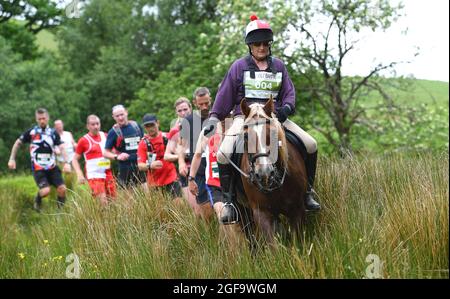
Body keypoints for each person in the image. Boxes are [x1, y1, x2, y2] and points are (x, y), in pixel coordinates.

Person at [203, 15, 321, 223]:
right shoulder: (238, 67)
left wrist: (287, 107)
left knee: (311, 144)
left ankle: (307, 193)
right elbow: (225, 95)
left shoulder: (279, 66)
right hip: (245, 118)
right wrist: (214, 117)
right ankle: (230, 202)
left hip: (272, 117)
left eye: (266, 43)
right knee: (223, 154)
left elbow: (289, 92)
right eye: (257, 43)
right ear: (250, 46)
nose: (262, 47)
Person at [7, 108, 71, 211]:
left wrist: (67, 162)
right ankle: (38, 198)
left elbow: (62, 147)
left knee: (62, 189)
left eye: (44, 118)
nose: (42, 121)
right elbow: (17, 143)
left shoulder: (53, 132)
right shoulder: (32, 132)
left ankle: (60, 213)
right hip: (38, 168)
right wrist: (12, 159)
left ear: (48, 118)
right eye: (39, 118)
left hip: (52, 167)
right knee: (46, 191)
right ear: (36, 119)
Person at [178, 87, 215, 218]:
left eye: (206, 103)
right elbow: (181, 146)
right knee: (207, 213)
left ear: (210, 99)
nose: (204, 106)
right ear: (195, 103)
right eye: (201, 104)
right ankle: (209, 238)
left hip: (217, 170)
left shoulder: (218, 116)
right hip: (199, 171)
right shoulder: (188, 121)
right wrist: (181, 162)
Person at [72, 115, 117, 205]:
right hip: (94, 175)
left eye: (97, 124)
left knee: (113, 202)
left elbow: (114, 151)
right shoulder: (84, 140)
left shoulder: (105, 136)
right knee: (103, 203)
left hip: (107, 173)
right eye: (93, 124)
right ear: (87, 126)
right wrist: (79, 174)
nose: (96, 126)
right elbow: (74, 159)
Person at [137, 114, 182, 202]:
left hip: (171, 178)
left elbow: (180, 150)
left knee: (178, 205)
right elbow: (140, 165)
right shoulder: (143, 143)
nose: (150, 128)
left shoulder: (167, 137)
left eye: (152, 125)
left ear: (158, 123)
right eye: (147, 126)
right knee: (160, 212)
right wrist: (150, 165)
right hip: (154, 183)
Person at [188, 122, 227, 222]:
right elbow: (197, 155)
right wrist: (191, 178)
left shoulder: (237, 127)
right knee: (221, 214)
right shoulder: (208, 130)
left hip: (234, 181)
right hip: (214, 181)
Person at [103, 104, 145, 188]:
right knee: (130, 199)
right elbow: (105, 152)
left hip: (141, 166)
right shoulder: (113, 132)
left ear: (126, 113)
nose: (120, 118)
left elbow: (144, 141)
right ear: (113, 117)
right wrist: (117, 156)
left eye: (121, 114)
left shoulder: (136, 126)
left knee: (148, 196)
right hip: (126, 168)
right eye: (117, 116)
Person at [164, 97, 193, 202]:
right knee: (195, 210)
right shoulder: (175, 130)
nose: (183, 113)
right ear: (176, 113)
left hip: (202, 168)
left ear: (191, 108)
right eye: (179, 111)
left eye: (185, 109)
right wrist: (181, 156)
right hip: (185, 171)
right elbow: (166, 155)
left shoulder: (200, 123)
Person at [54, 119, 77, 189]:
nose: (59, 126)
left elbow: (73, 143)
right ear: (55, 127)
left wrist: (78, 146)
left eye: (60, 124)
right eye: (57, 125)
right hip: (62, 160)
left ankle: (74, 189)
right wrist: (57, 151)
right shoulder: (54, 136)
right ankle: (67, 189)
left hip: (72, 158)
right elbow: (54, 150)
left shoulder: (68, 133)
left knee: (74, 175)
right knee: (66, 175)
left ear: (63, 125)